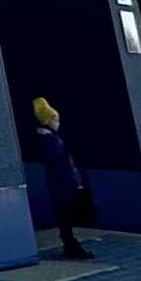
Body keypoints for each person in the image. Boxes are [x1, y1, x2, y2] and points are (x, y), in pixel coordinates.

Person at [33, 94, 96, 260]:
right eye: (55, 119)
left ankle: (70, 245)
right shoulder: (51, 140)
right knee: (66, 214)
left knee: (65, 215)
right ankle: (71, 246)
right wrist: (76, 182)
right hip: (63, 184)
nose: (58, 123)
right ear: (48, 120)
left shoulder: (50, 138)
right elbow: (63, 163)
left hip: (60, 183)